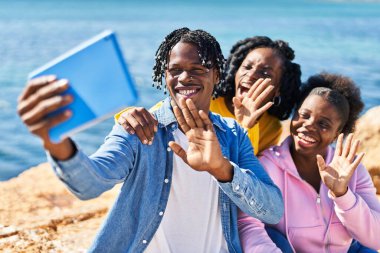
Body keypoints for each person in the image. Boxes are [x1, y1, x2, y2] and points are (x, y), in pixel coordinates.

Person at [17, 28, 284, 252]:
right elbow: (90, 184)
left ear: (216, 75)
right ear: (164, 75)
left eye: (198, 69)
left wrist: (221, 168)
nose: (184, 78)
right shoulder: (140, 127)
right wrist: (56, 142)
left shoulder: (233, 134)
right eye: (174, 70)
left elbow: (272, 210)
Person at [238, 73, 380, 252]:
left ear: (337, 134)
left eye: (323, 124)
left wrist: (342, 194)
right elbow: (247, 224)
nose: (309, 125)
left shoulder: (352, 170)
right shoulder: (268, 165)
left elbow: (377, 238)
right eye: (303, 115)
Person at [116, 36, 302, 155]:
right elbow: (153, 119)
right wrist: (128, 115)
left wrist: (247, 126)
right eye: (246, 67)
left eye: (265, 73)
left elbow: (246, 171)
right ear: (235, 71)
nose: (251, 75)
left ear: (278, 88)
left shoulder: (272, 127)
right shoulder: (206, 99)